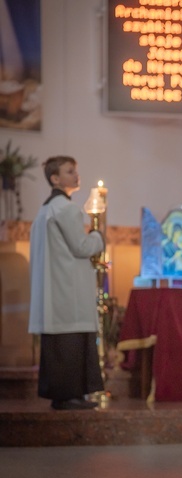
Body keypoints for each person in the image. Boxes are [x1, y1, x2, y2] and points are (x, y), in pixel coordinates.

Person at [28, 156, 105, 410]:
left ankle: (64, 394)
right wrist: (97, 236)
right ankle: (71, 395)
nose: (76, 175)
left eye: (76, 170)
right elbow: (81, 247)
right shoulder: (67, 208)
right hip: (69, 289)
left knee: (60, 344)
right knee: (71, 341)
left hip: (54, 289)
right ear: (55, 179)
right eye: (69, 171)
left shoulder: (45, 210)